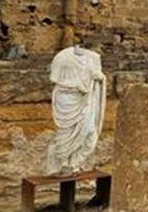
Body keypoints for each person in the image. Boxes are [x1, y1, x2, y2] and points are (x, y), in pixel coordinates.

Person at [46, 44, 107, 175]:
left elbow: (98, 77)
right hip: (67, 99)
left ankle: (74, 163)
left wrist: (99, 78)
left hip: (86, 101)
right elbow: (55, 79)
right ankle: (62, 163)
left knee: (91, 134)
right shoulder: (62, 57)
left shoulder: (93, 58)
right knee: (66, 134)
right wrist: (85, 80)